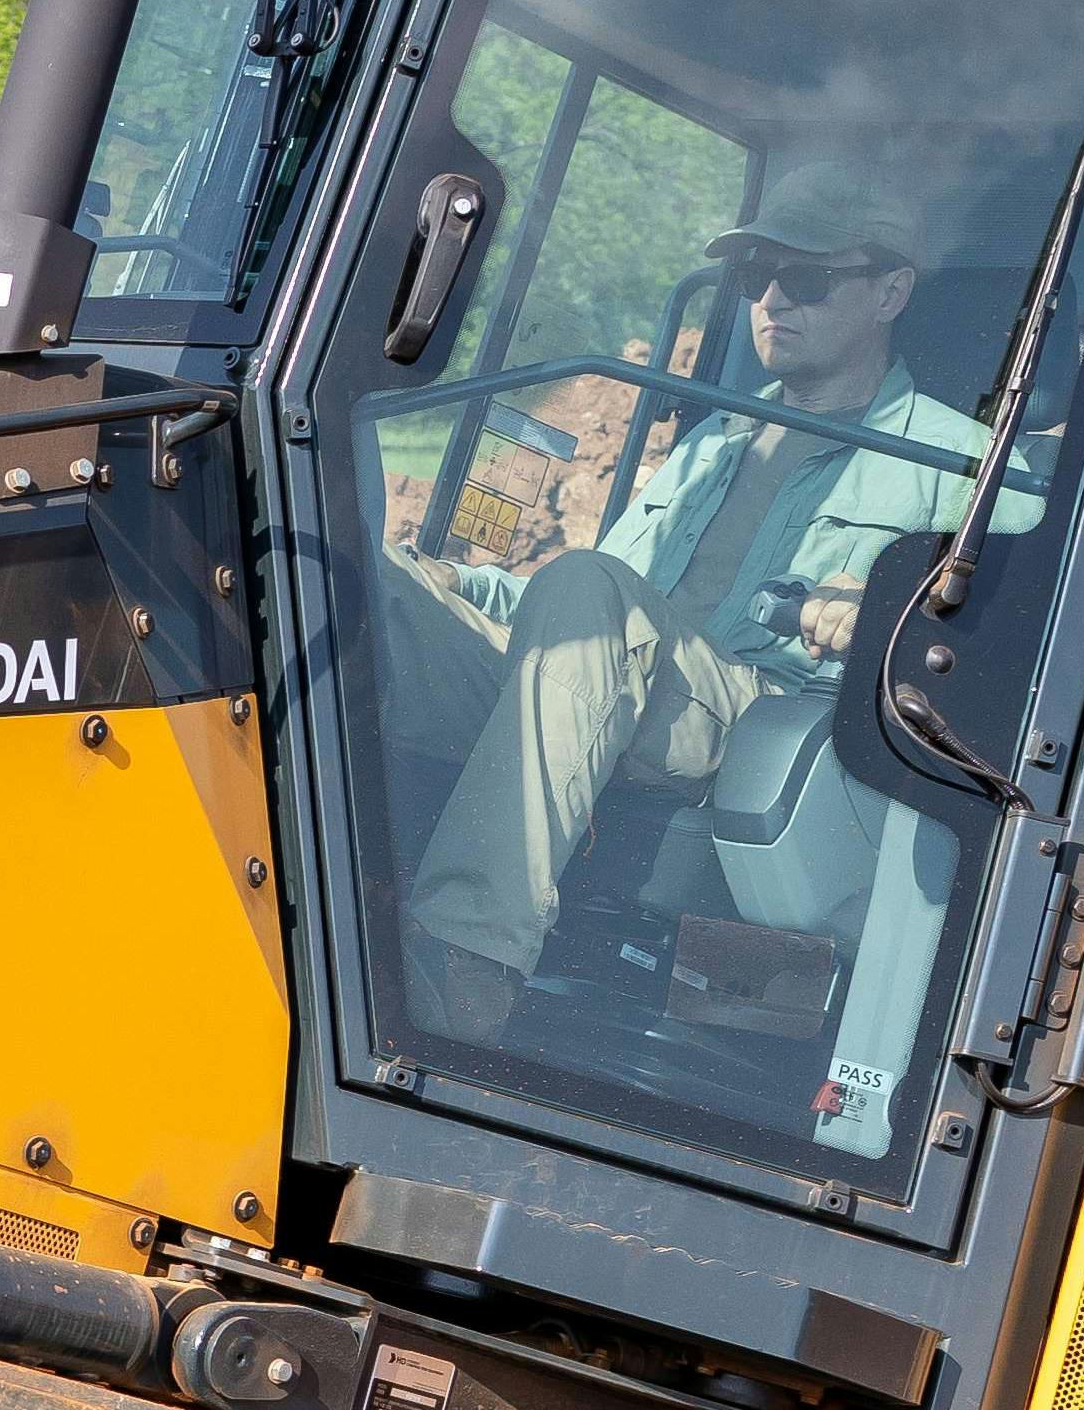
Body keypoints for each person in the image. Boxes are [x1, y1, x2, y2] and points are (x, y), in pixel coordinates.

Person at [399, 153, 1008, 1029]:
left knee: (587, 589)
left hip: (759, 718)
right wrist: (457, 581)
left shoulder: (965, 467)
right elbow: (590, 602)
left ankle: (468, 967)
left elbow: (1023, 642)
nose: (772, 300)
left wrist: (889, 617)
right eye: (759, 277)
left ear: (890, 292)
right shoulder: (717, 437)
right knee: (385, 584)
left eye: (806, 278)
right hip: (620, 678)